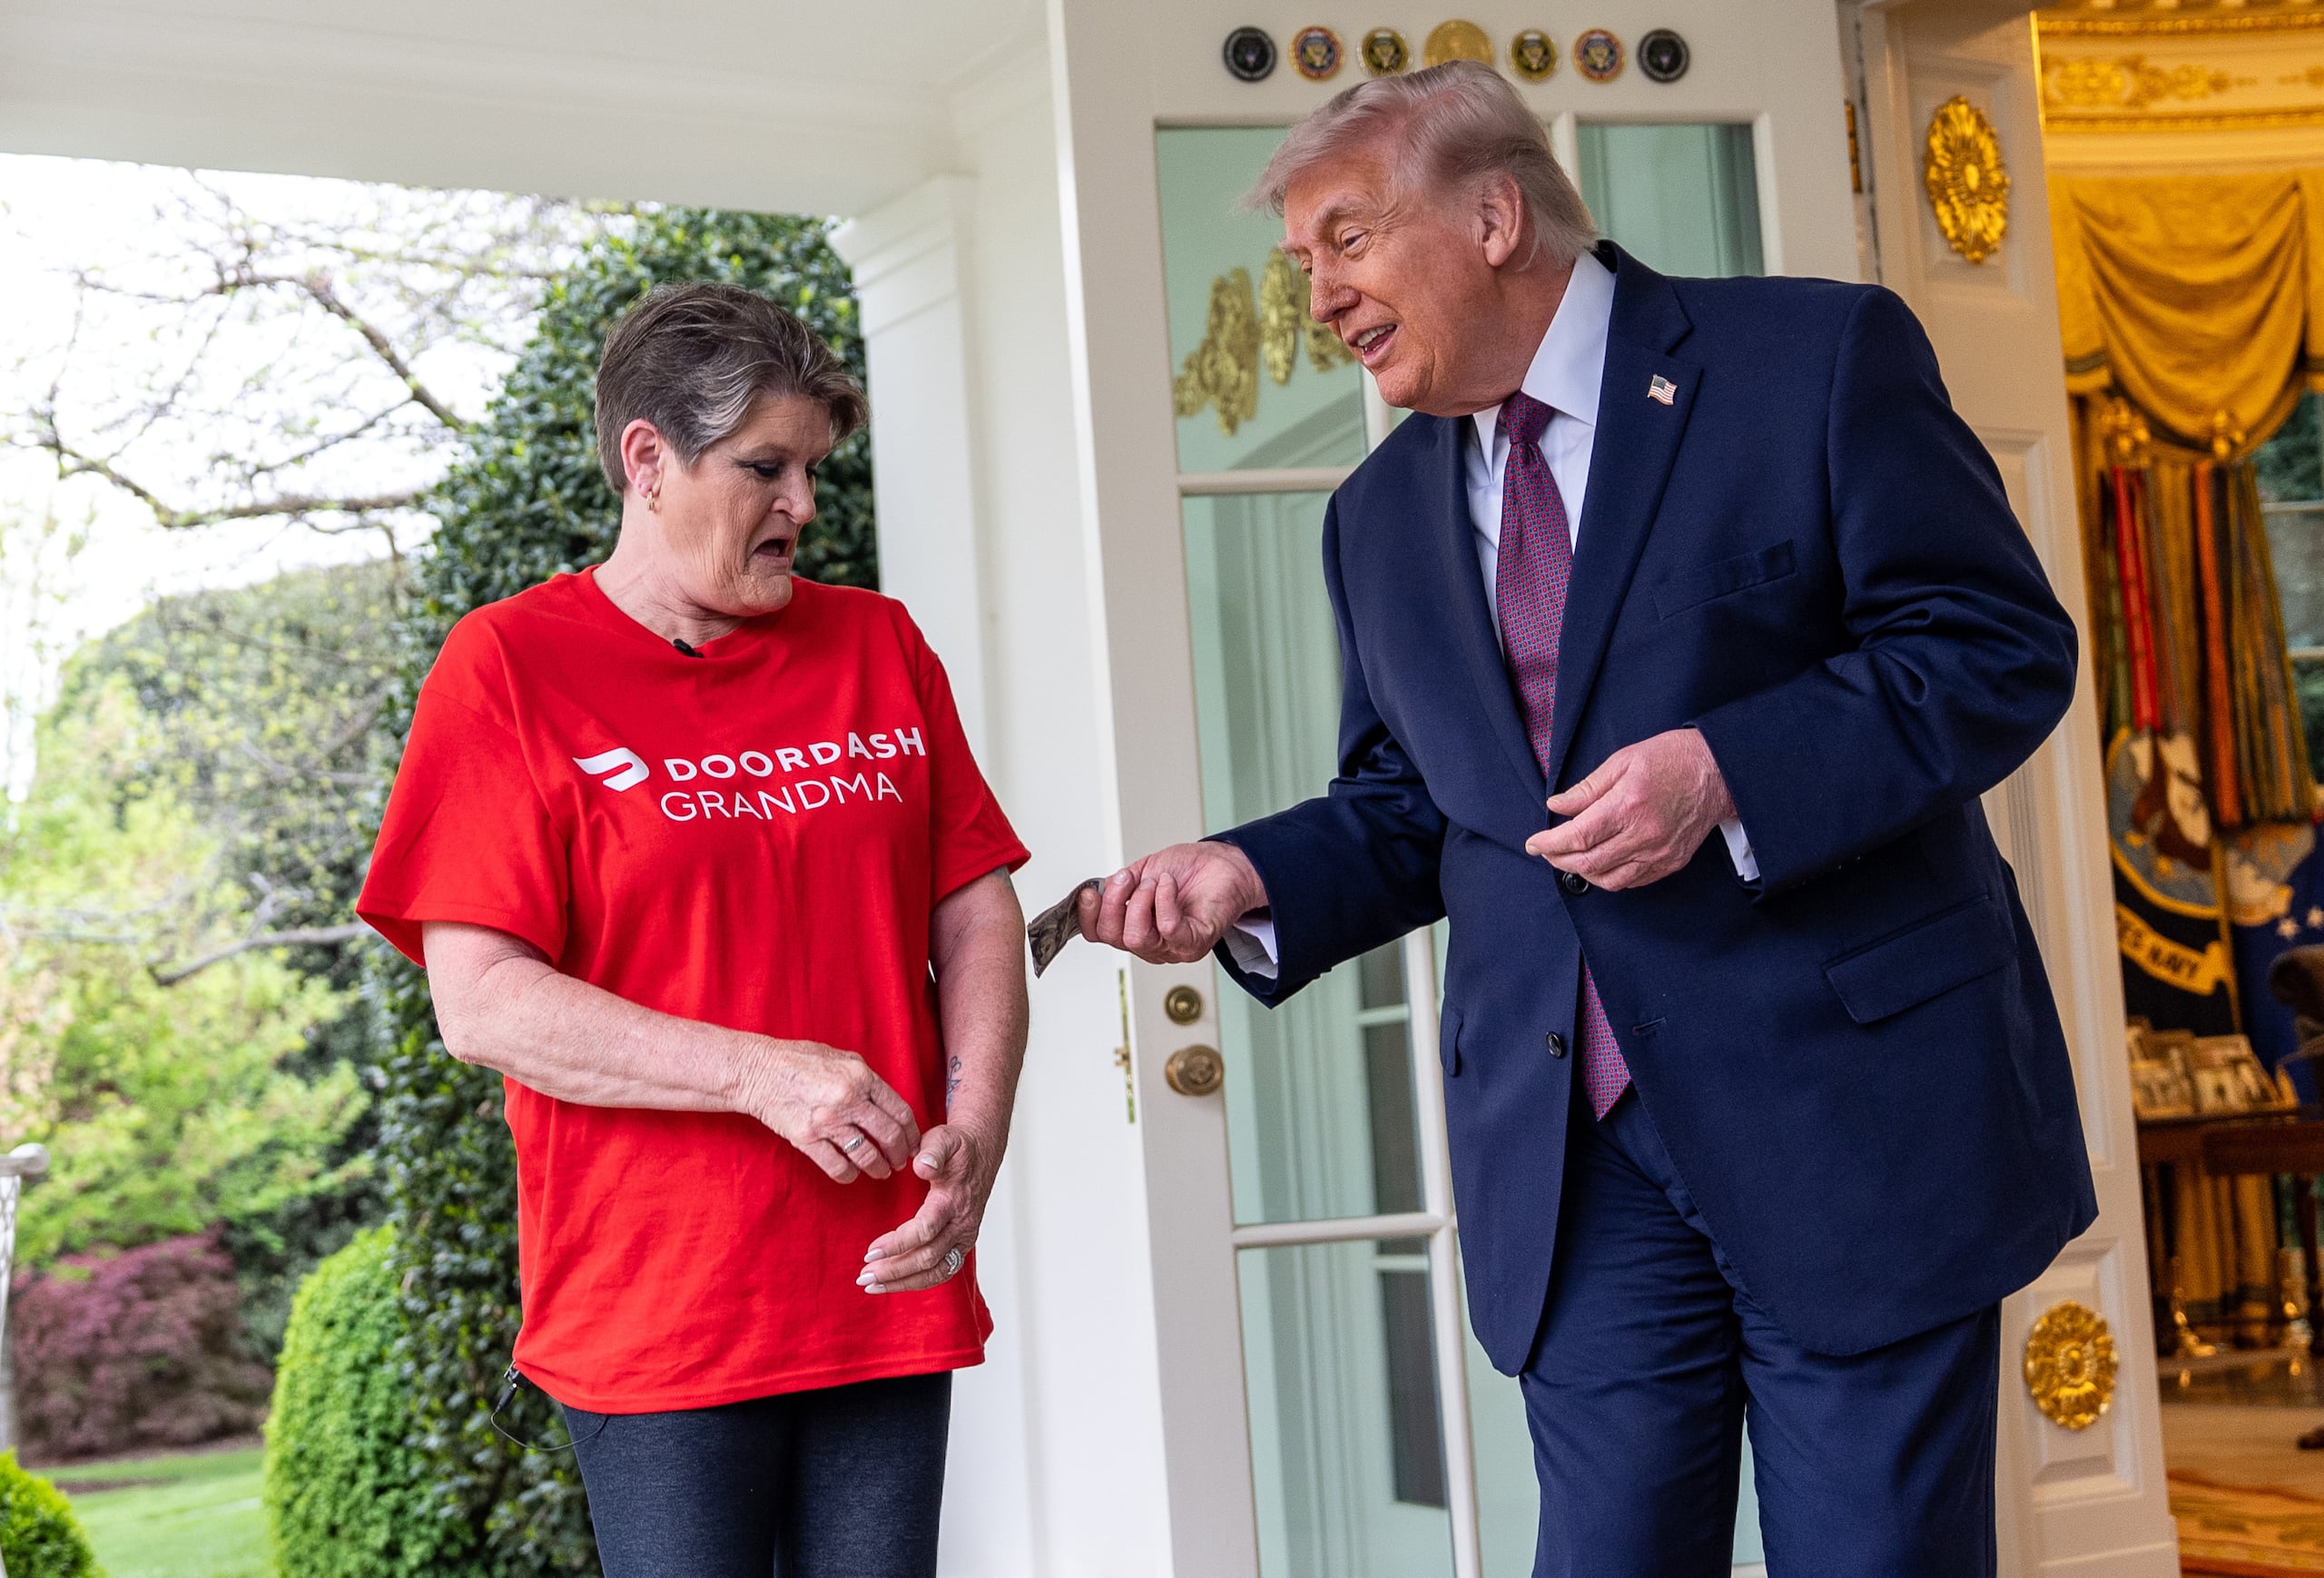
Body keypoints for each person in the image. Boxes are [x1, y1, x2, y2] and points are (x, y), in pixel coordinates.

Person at [1079, 63, 2093, 1576]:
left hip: (1853, 1118)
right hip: (1572, 1153)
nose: (1322, 297)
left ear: (1494, 215)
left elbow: (1992, 648)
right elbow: (1427, 801)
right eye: (1303, 266)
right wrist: (1248, 869)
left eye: (1346, 240)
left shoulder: (1810, 356)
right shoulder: (1375, 516)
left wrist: (1731, 771)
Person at [357, 282, 1030, 1578]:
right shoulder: (508, 668)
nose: (803, 506)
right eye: (765, 468)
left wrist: (977, 1121)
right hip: (659, 1309)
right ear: (648, 460)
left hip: (881, 1280)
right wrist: (758, 1071)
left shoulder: (879, 646)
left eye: (813, 468)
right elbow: (482, 999)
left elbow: (975, 903)